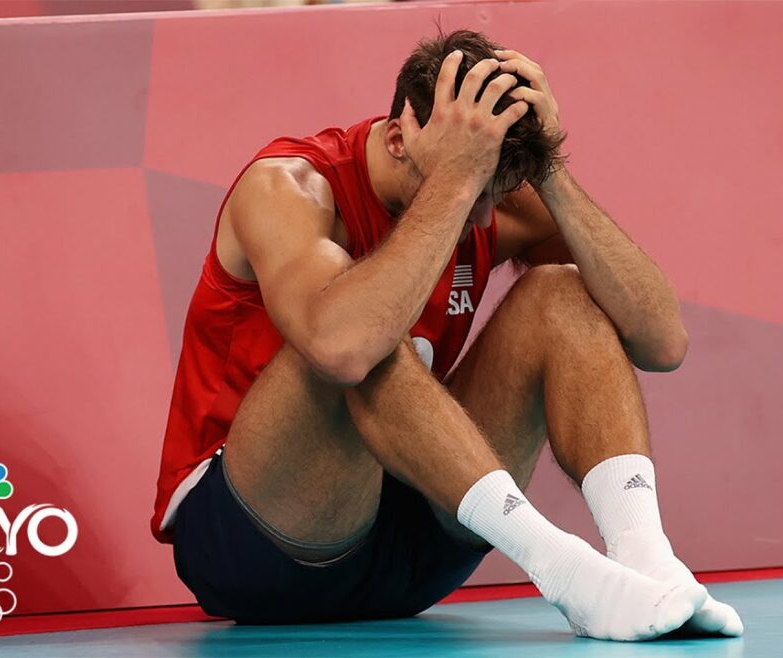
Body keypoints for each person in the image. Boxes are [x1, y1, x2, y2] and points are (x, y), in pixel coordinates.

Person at [151, 29, 743, 641]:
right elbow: (343, 347)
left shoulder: (490, 197)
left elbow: (662, 341)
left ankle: (649, 562)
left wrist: (551, 172)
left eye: (491, 191)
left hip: (411, 549)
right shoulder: (288, 187)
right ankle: (563, 568)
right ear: (398, 139)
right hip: (255, 545)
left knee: (561, 292)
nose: (484, 217)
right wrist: (455, 182)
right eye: (474, 188)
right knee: (360, 336)